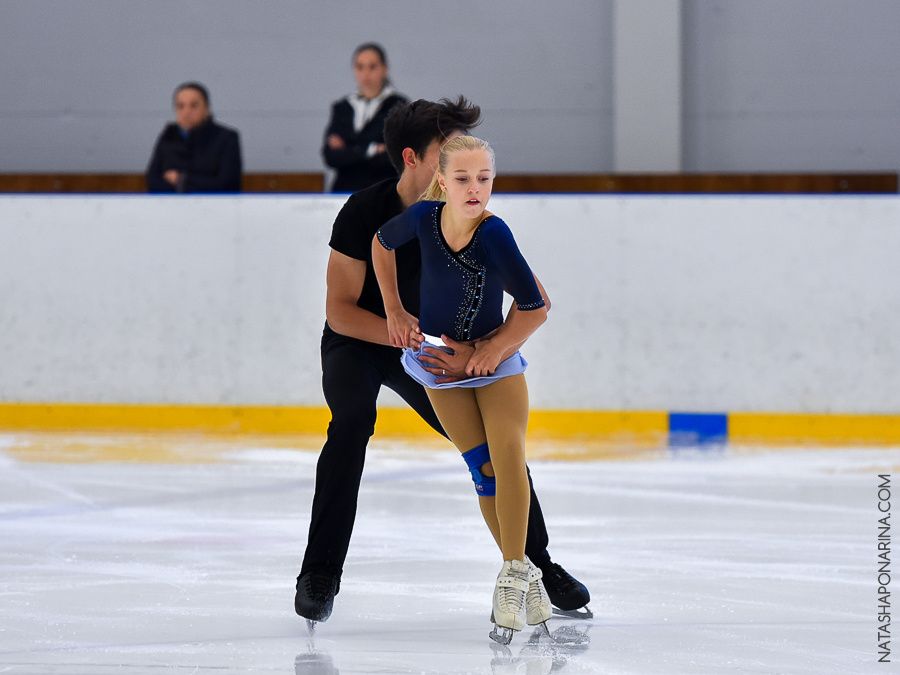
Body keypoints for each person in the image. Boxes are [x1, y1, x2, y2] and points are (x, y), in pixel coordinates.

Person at [294, 97, 591, 631]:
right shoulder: (365, 210)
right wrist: (399, 327)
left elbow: (531, 303)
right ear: (413, 158)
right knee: (352, 422)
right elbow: (339, 311)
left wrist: (482, 353)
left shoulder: (473, 219)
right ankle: (319, 575)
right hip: (360, 342)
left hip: (434, 351)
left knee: (496, 446)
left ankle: (537, 566)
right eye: (447, 151)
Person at [372, 135, 550, 643]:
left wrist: (490, 351)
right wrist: (394, 310)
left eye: (485, 179)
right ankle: (525, 575)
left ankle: (514, 572)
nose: (476, 189)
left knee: (509, 454)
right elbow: (381, 244)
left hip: (495, 364)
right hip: (439, 362)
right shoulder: (425, 218)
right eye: (464, 178)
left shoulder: (495, 234)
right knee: (483, 469)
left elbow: (536, 305)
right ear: (443, 181)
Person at [322, 43, 409, 193]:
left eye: (372, 67)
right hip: (344, 192)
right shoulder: (342, 108)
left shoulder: (399, 106)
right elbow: (331, 157)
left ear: (384, 68)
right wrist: (373, 149)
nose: (366, 73)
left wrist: (348, 150)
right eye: (360, 67)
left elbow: (395, 156)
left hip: (383, 192)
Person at [145, 82, 242, 193]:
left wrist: (182, 180)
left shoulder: (226, 138)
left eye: (194, 106)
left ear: (207, 109)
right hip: (172, 207)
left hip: (214, 206)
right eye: (180, 106)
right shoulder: (168, 137)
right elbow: (152, 181)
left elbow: (228, 183)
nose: (186, 112)